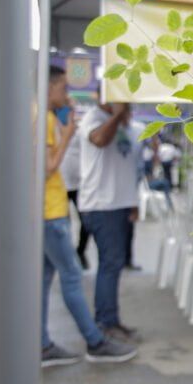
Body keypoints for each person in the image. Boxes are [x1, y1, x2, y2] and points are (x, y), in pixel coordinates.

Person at [41, 66, 136, 366]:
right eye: (63, 89)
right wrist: (68, 132)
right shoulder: (83, 121)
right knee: (78, 274)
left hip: (61, 208)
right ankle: (96, 337)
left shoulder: (48, 118)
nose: (67, 95)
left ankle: (43, 344)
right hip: (65, 208)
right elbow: (49, 166)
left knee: (47, 278)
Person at [78, 101, 143, 342]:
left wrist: (133, 202)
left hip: (119, 204)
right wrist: (116, 116)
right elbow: (100, 140)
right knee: (109, 264)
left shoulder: (125, 122)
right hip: (101, 205)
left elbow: (129, 165)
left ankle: (112, 320)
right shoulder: (92, 117)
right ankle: (105, 323)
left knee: (114, 264)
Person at [59, 101, 91, 269]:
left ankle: (80, 252)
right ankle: (66, 255)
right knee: (63, 225)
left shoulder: (79, 133)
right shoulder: (54, 131)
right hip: (60, 187)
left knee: (86, 223)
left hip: (79, 185)